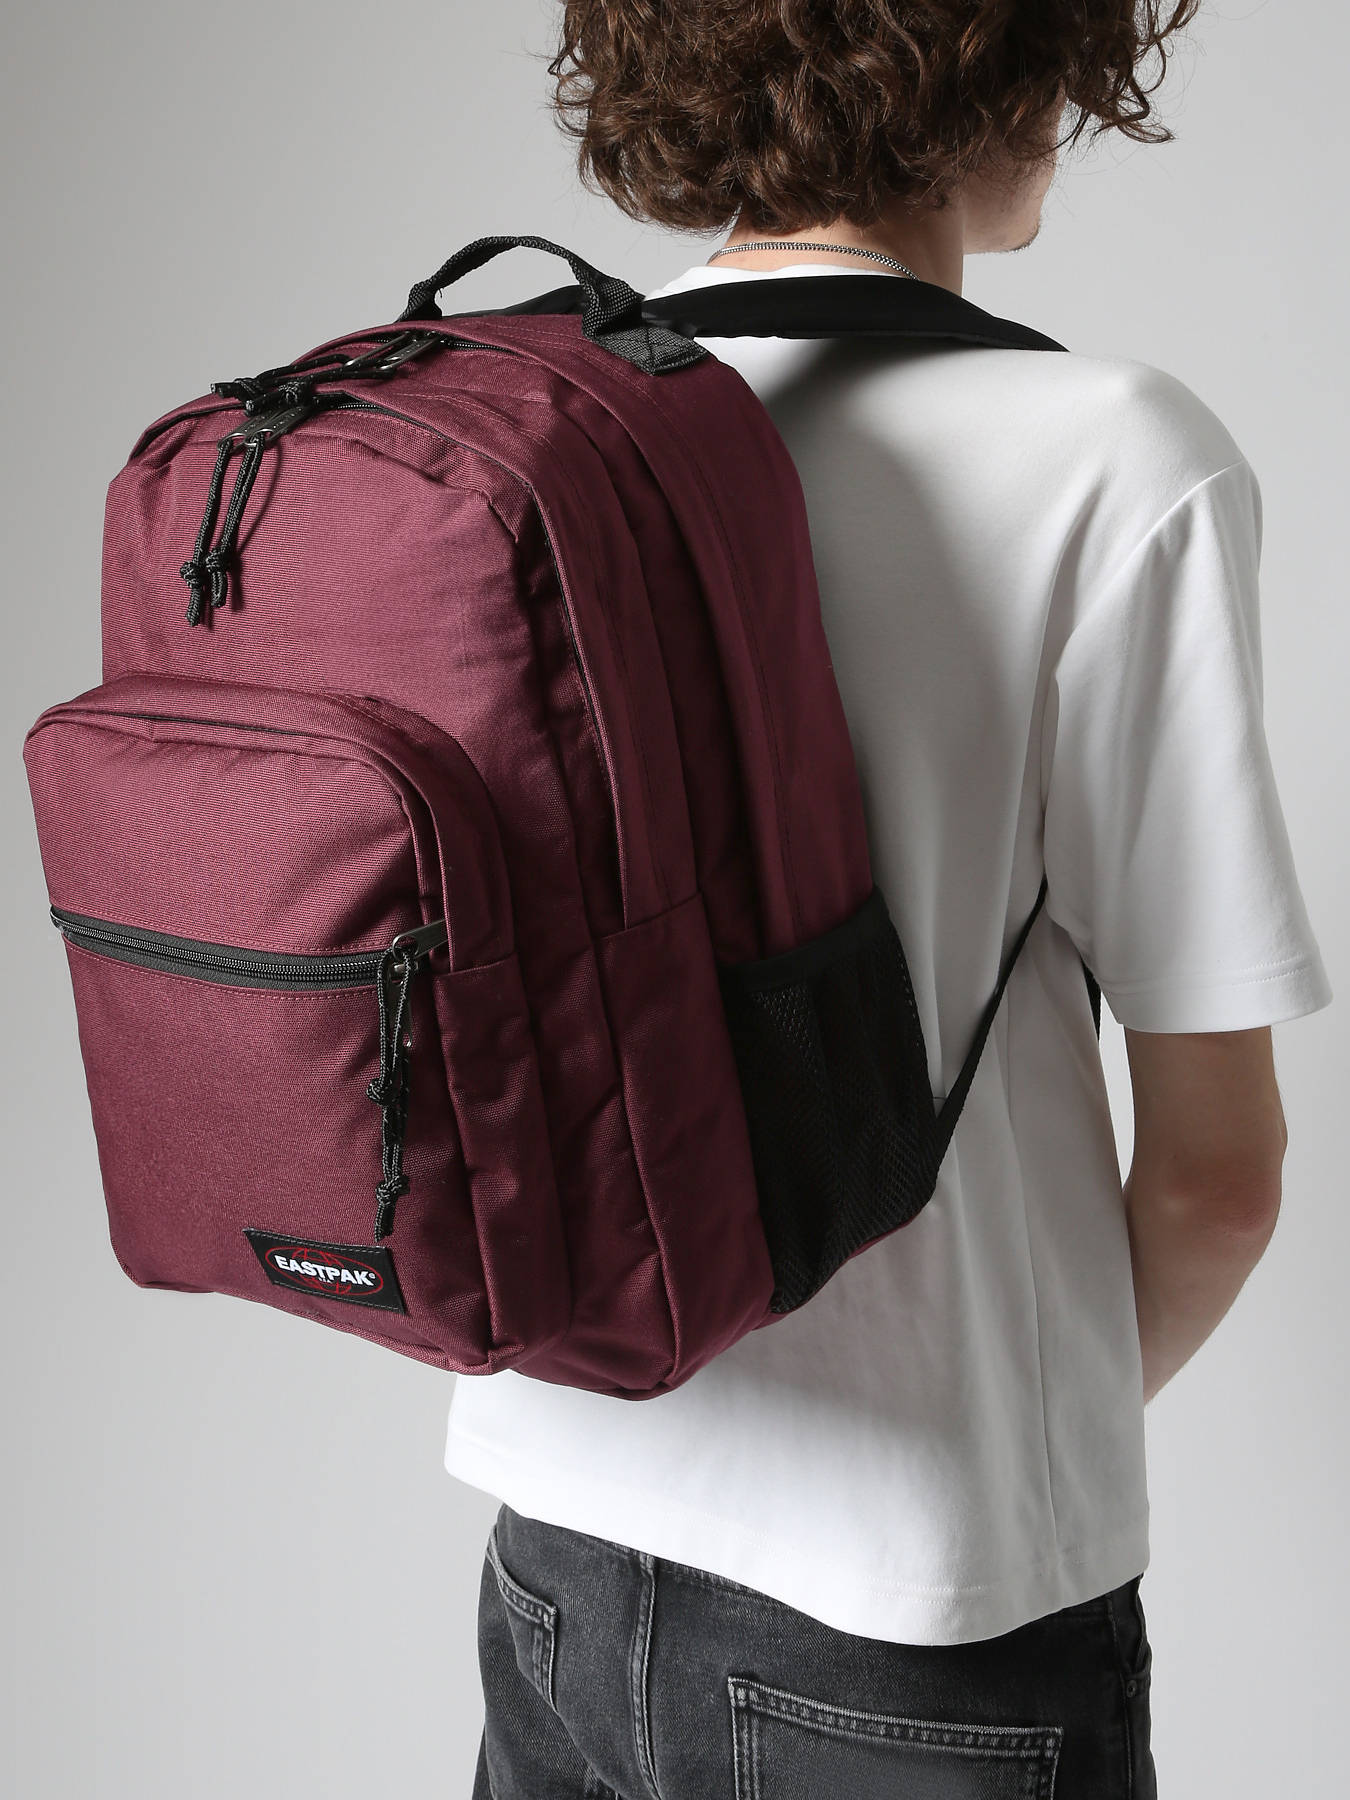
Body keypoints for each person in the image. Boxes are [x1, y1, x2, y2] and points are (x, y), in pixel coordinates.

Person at [453, 5, 1334, 1796]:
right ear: (1003, 67)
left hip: (556, 1539)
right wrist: (1005, 1441)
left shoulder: (534, 419)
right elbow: (1215, 1179)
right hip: (910, 1610)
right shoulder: (1112, 451)